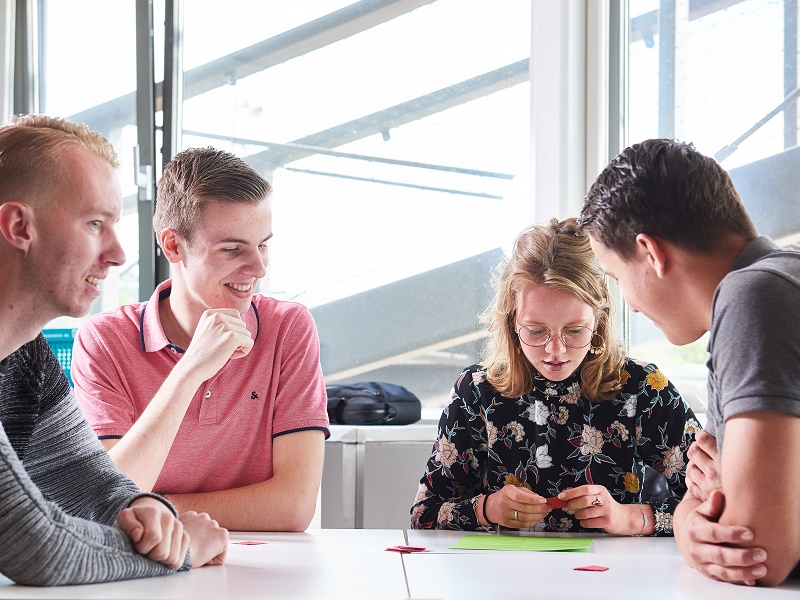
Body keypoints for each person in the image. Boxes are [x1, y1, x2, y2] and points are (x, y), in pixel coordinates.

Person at [0, 115, 228, 586]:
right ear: (19, 225)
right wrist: (181, 549)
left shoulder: (26, 356)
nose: (119, 253)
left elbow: (85, 481)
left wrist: (143, 508)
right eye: (94, 223)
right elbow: (36, 547)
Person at [71, 146, 330, 532]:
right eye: (232, 248)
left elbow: (293, 507)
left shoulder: (288, 327)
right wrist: (191, 368)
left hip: (266, 568)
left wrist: (153, 509)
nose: (258, 268)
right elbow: (108, 497)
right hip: (147, 565)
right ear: (173, 245)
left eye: (263, 244)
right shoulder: (103, 339)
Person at [580, 138, 800, 587]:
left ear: (652, 253)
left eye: (618, 276)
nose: (632, 306)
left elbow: (754, 551)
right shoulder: (777, 282)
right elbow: (708, 494)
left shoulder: (752, 297)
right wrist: (694, 514)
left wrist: (693, 519)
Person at [411, 217, 699, 535]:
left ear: (599, 320)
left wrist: (631, 518)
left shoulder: (642, 387)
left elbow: (715, 503)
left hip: (615, 576)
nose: (555, 351)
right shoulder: (477, 392)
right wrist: (487, 509)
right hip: (499, 576)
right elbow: (423, 515)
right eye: (536, 331)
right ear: (512, 322)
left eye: (575, 331)